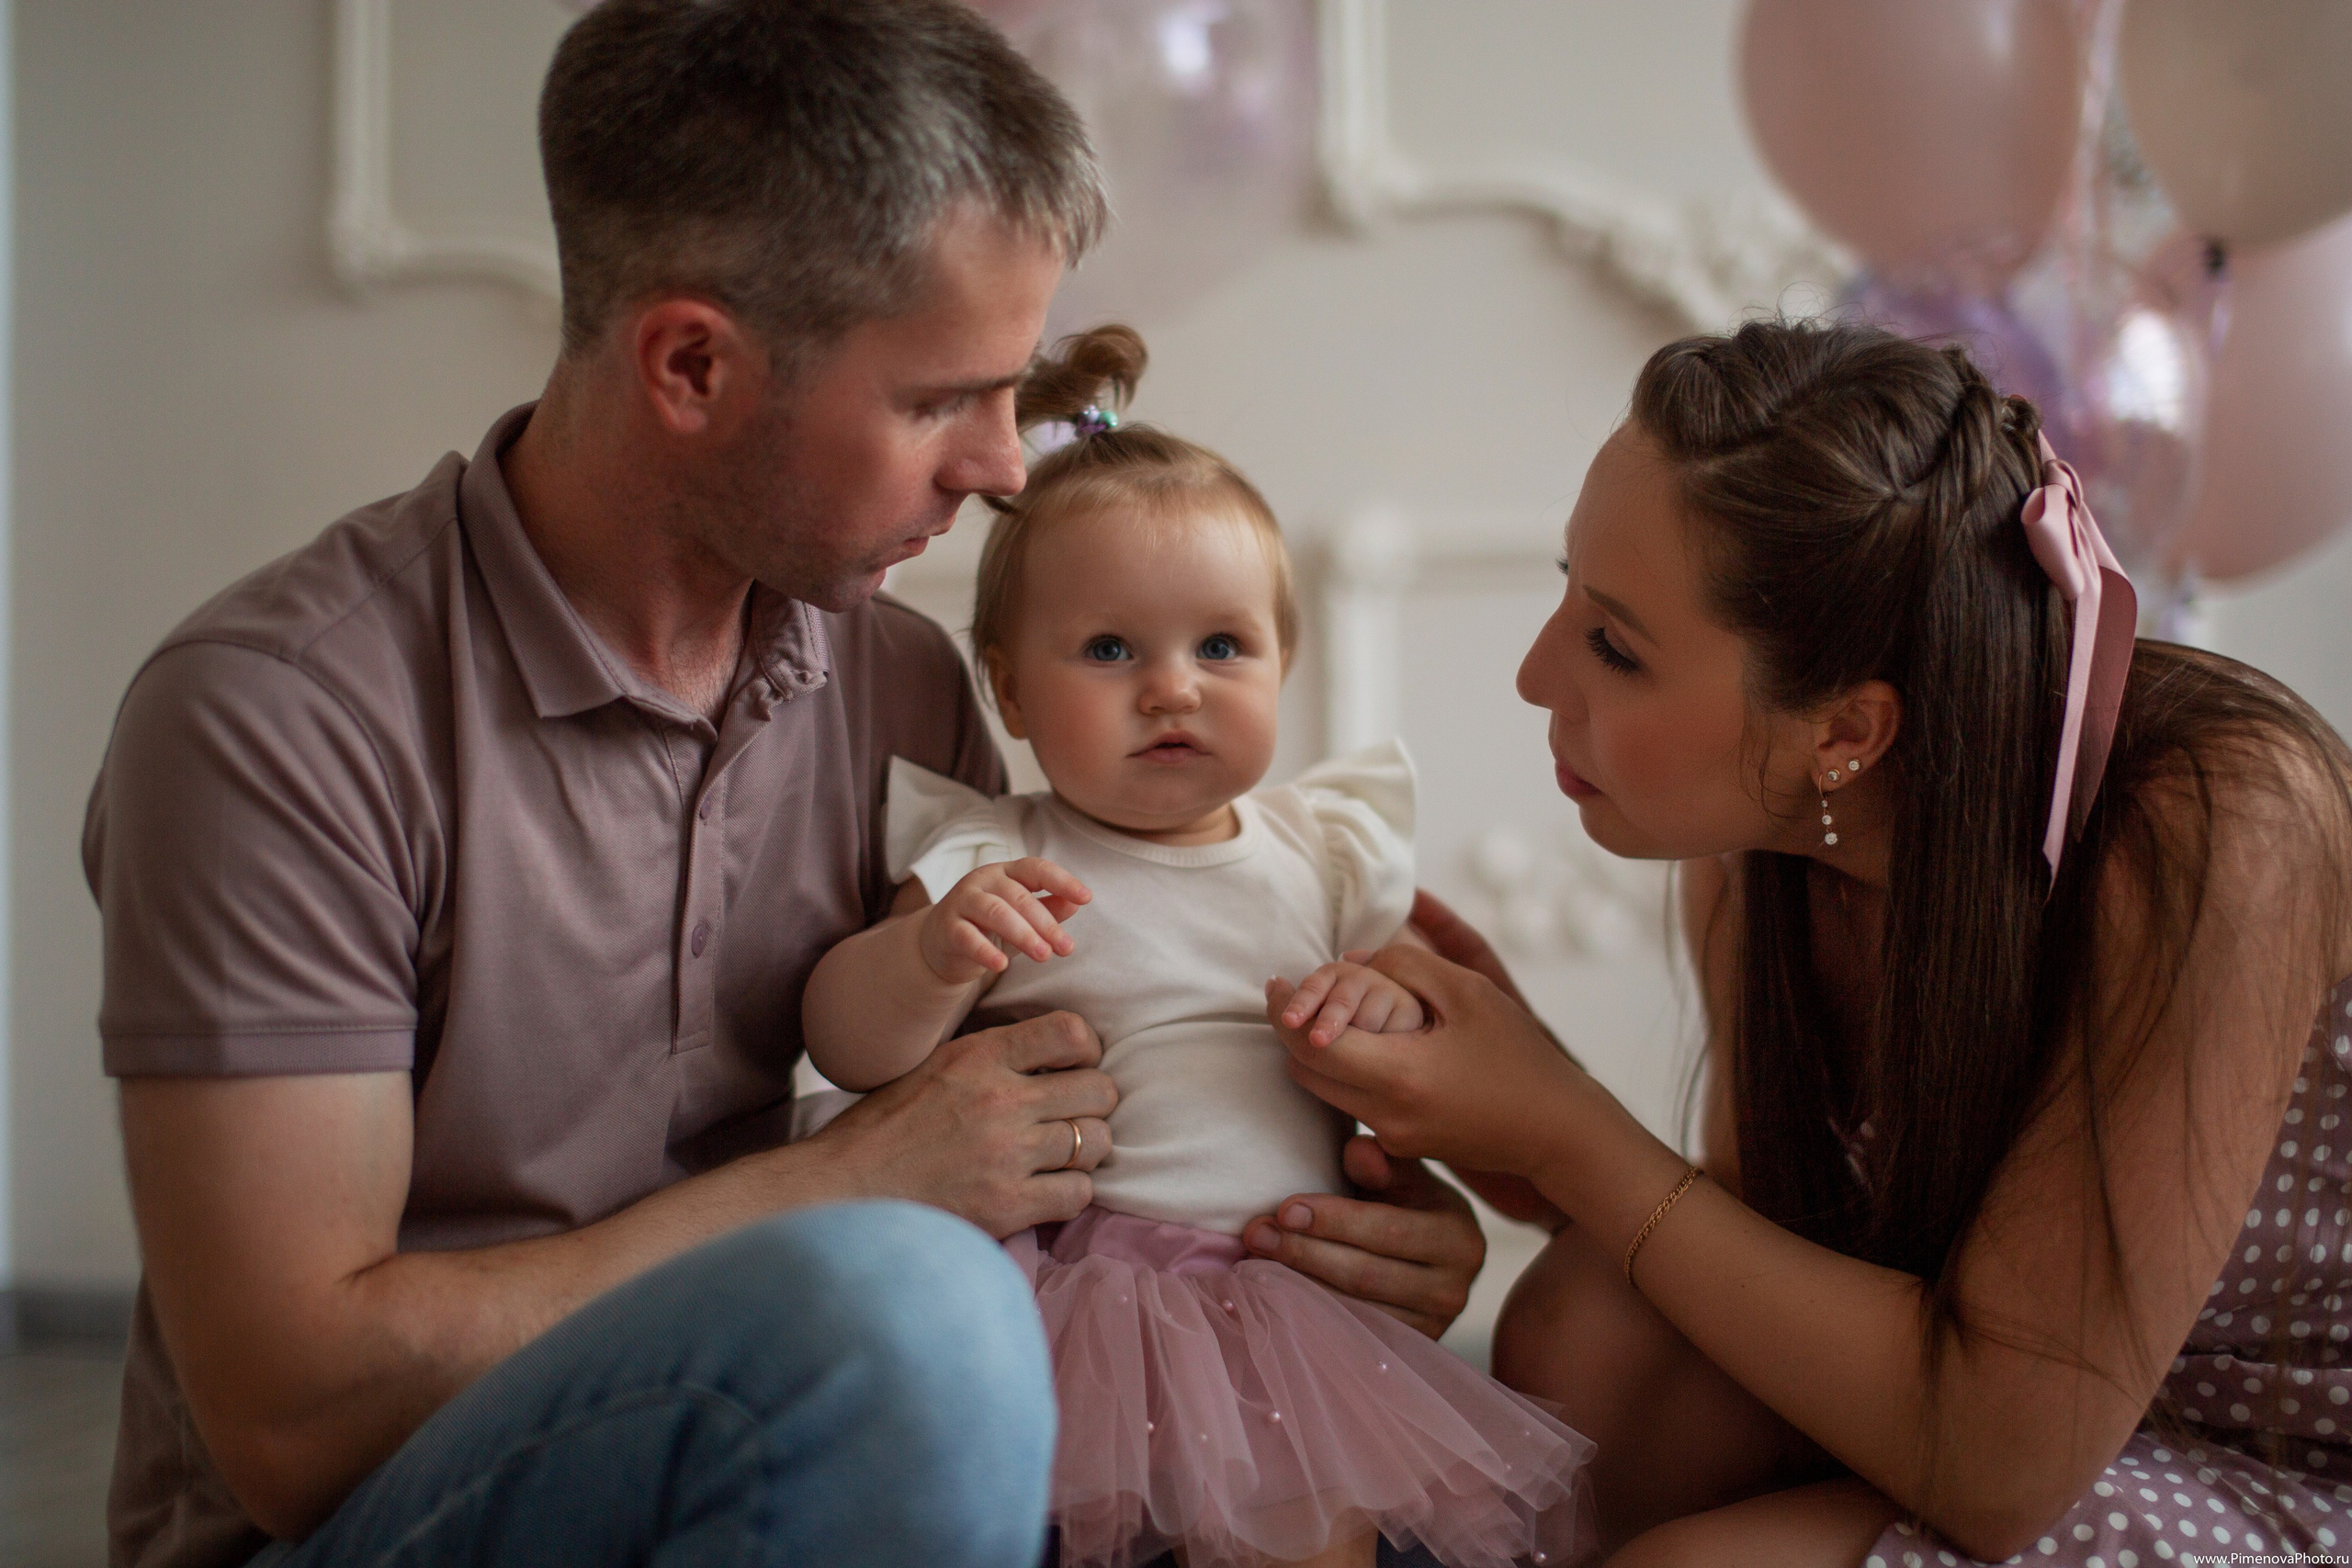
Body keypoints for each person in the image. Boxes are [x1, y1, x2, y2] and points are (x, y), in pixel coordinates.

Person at [82, 6, 1485, 1566]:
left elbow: (1038, 1147)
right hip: (370, 1521)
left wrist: (1319, 1242)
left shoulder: (900, 683)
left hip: (812, 1467)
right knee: (918, 1316)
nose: (1006, 467)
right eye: (941, 397)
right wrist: (844, 1186)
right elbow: (297, 1424)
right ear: (692, 365)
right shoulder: (277, 721)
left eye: (1014, 391)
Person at [1267, 318, 2352, 1566]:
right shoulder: (1765, 859)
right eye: (1566, 592)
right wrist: (1502, 1128)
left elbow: (2004, 1466)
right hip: (2034, 1417)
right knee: (1590, 1333)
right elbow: (1786, 1268)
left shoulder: (2216, 824)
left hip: (2265, 1461)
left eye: (1615, 646)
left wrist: (1567, 1126)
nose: (1533, 675)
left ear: (1850, 730)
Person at [801, 327, 1594, 1568]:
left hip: (1293, 1292)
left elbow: (1425, 1062)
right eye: (1111, 650)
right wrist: (931, 959)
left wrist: (1376, 1015)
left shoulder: (1327, 853)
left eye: (1221, 647)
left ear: (1285, 664)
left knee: (1308, 1535)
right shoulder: (989, 853)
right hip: (1086, 1288)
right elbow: (844, 1042)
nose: (1172, 687)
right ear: (1008, 693)